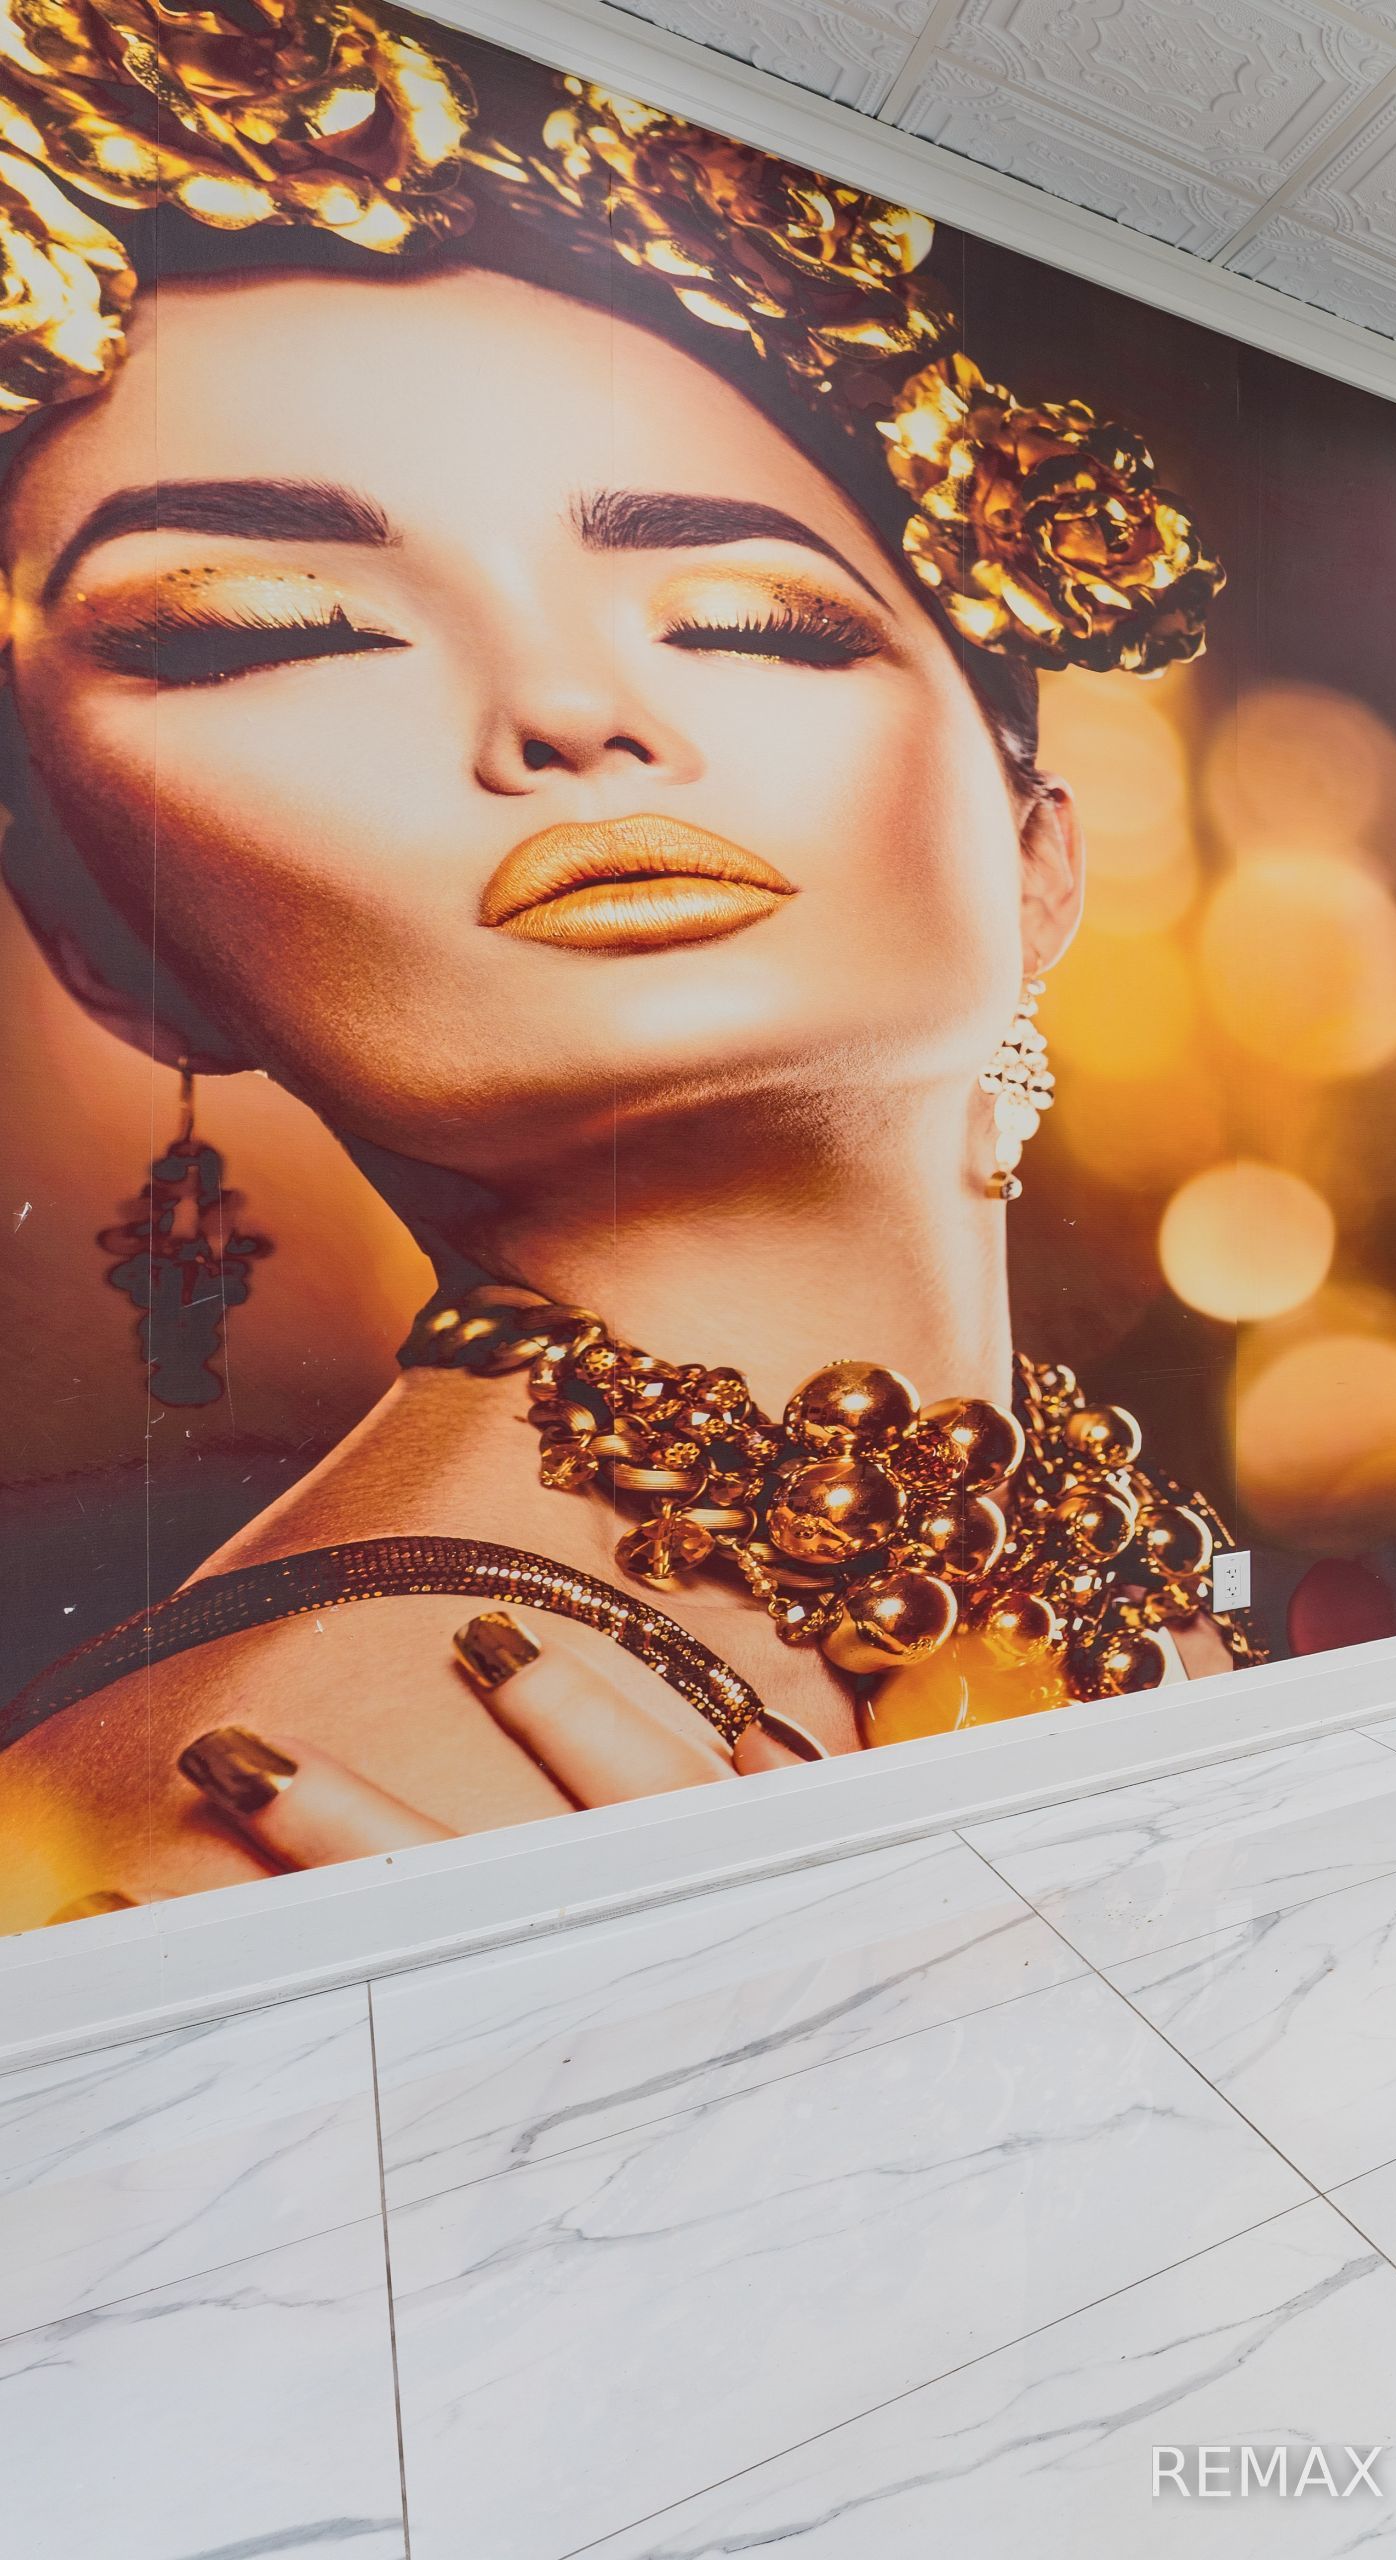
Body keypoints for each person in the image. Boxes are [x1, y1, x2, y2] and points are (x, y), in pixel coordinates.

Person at [0, 9, 1245, 1922]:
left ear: (1037, 853)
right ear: (104, 939)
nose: (569, 711)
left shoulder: (1090, 1531)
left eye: (749, 621)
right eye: (272, 626)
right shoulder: (216, 1831)